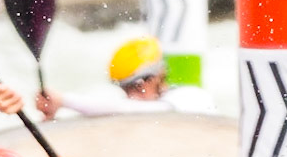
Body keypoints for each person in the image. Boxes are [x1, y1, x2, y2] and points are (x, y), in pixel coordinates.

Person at [35, 34, 214, 120]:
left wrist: (64, 100)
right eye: (124, 88)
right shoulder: (125, 111)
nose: (131, 95)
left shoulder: (192, 97)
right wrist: (52, 120)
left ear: (157, 76)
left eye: (136, 86)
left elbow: (131, 110)